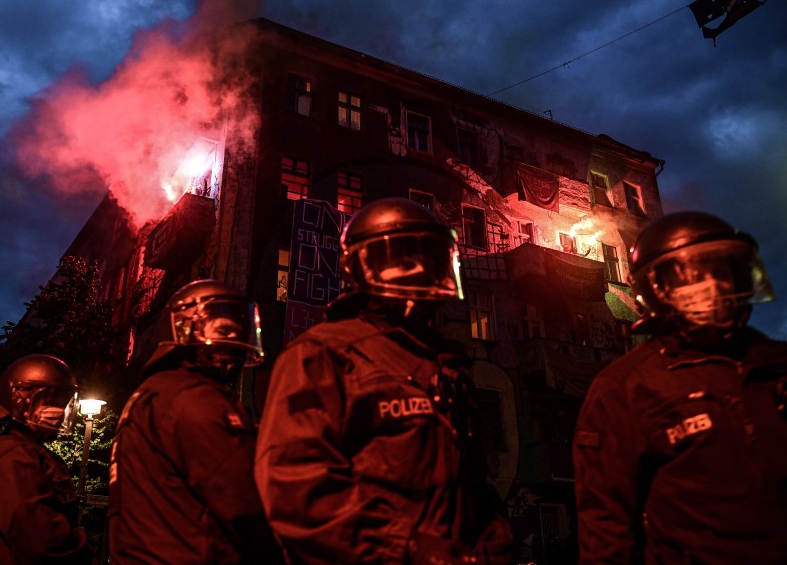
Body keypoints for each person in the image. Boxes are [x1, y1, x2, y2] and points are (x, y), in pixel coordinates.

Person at [255, 197, 513, 565]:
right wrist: (408, 549)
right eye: (406, 257)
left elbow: (474, 486)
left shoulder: (447, 369)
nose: (421, 268)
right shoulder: (322, 356)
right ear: (364, 266)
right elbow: (296, 487)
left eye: (430, 255)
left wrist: (494, 545)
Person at [573, 211, 787, 564]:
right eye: (694, 276)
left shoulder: (775, 364)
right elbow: (605, 525)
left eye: (721, 271)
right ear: (657, 289)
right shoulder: (626, 387)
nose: (713, 286)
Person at [108, 279, 284, 564]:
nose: (234, 344)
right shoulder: (193, 397)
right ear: (185, 329)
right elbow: (241, 501)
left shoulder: (155, 393)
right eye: (224, 331)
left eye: (240, 334)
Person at [0, 354, 90, 565]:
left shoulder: (18, 451)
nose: (59, 411)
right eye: (49, 401)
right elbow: (41, 540)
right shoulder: (14, 457)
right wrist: (81, 544)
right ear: (19, 398)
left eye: (62, 403)